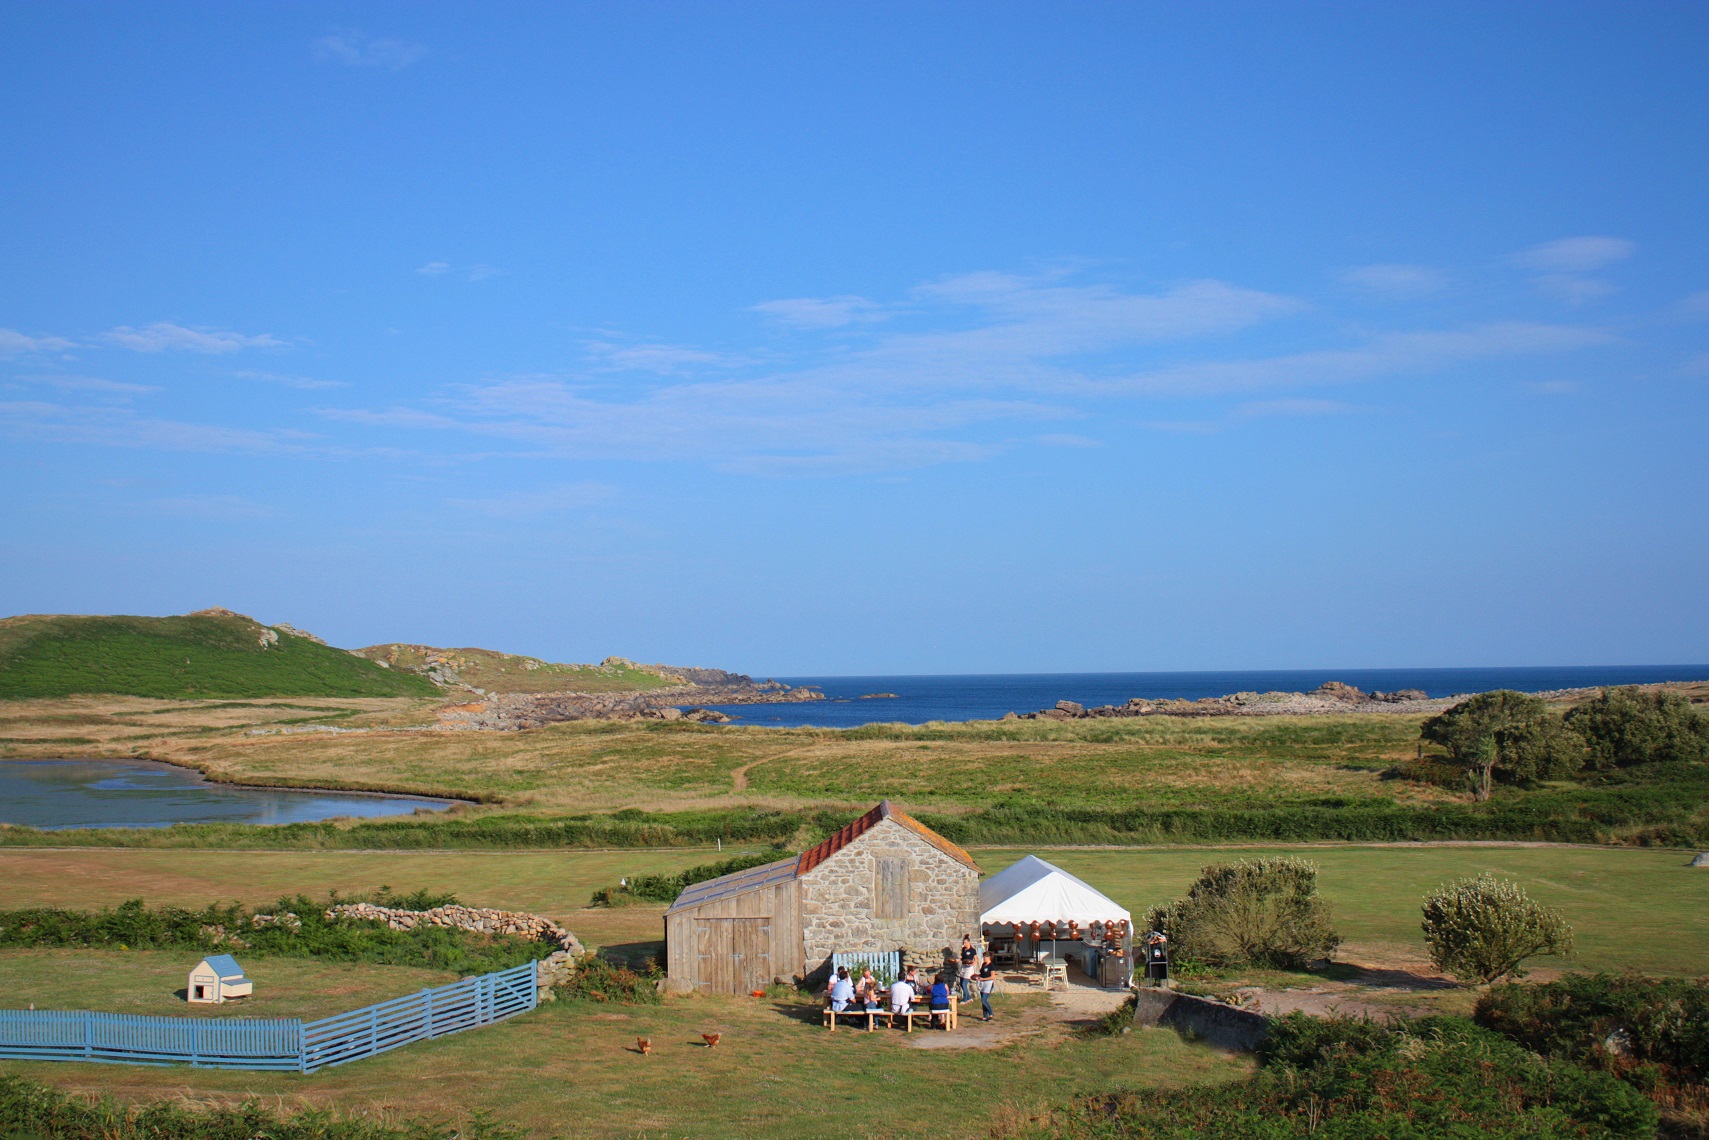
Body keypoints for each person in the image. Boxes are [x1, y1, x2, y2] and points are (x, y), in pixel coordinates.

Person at [958, 934, 979, 1001]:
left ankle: (965, 998)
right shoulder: (964, 949)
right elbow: (963, 958)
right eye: (963, 943)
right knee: (961, 983)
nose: (964, 944)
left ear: (968, 942)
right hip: (963, 966)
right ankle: (969, 997)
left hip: (969, 968)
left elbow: (976, 959)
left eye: (965, 943)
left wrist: (972, 964)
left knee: (964, 983)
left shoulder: (972, 950)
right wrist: (959, 960)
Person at [976, 952, 996, 1021]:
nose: (984, 958)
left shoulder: (991, 966)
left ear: (988, 957)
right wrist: (977, 976)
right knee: (983, 1000)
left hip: (988, 983)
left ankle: (991, 1013)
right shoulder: (984, 964)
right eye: (983, 957)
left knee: (984, 1000)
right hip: (982, 983)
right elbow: (982, 973)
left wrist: (983, 979)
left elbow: (992, 977)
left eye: (985, 957)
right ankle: (985, 1016)